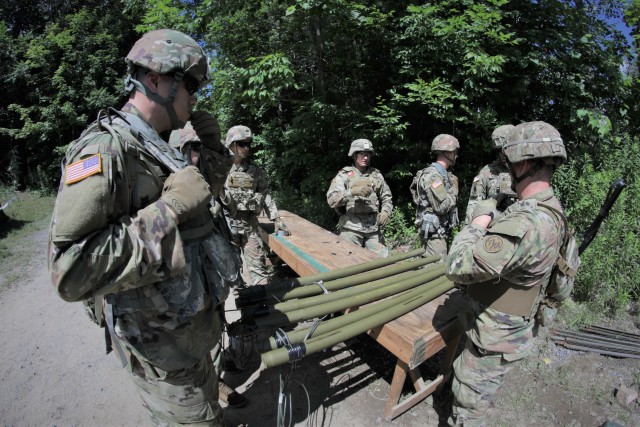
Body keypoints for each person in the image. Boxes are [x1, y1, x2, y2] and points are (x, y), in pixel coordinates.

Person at [48, 29, 242, 426]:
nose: (195, 96)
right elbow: (69, 271)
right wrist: (167, 209)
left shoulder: (156, 143)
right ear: (156, 80)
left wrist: (213, 150)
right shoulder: (104, 150)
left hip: (192, 333)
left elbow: (200, 203)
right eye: (190, 85)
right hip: (160, 348)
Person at [444, 121, 568, 426]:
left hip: (493, 336)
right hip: (514, 330)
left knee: (469, 406)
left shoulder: (526, 223)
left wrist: (478, 223)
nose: (506, 168)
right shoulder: (553, 210)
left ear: (523, 163)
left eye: (508, 161)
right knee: (482, 396)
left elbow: (457, 266)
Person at [169, 124, 248, 409]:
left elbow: (222, 171)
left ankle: (221, 362)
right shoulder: (165, 177)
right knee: (198, 322)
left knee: (217, 311)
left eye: (198, 148)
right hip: (187, 266)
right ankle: (214, 385)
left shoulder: (203, 173)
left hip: (210, 259)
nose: (195, 154)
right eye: (190, 149)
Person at [220, 125, 289, 286]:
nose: (247, 148)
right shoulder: (219, 167)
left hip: (249, 225)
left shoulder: (254, 170)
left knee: (259, 269)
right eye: (242, 144)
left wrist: (277, 219)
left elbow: (265, 194)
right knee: (231, 273)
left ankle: (262, 306)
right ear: (231, 144)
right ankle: (240, 301)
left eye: (249, 144)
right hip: (226, 228)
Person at [326, 139, 393, 257]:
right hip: (351, 229)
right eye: (361, 154)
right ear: (354, 155)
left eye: (367, 154)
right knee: (346, 261)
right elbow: (331, 199)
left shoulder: (376, 175)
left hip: (373, 229)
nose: (365, 157)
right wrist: (351, 192)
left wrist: (385, 212)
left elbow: (387, 197)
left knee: (383, 262)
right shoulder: (344, 175)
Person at [410, 134, 460, 258]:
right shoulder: (433, 176)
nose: (456, 155)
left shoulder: (442, 174)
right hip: (434, 236)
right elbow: (442, 207)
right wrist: (454, 189)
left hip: (439, 232)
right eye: (454, 152)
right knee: (435, 271)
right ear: (447, 153)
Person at [464, 124, 516, 224]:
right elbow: (474, 205)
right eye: (499, 150)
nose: (503, 154)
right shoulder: (487, 172)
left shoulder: (525, 170)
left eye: (505, 149)